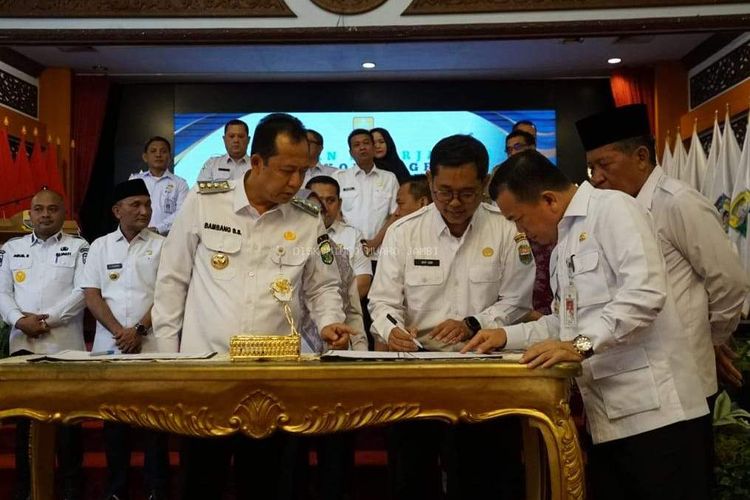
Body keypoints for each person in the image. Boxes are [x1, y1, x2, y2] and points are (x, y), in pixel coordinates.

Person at [466, 149, 711, 500]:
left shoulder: (613, 209)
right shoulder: (562, 245)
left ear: (548, 200)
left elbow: (644, 293)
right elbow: (566, 325)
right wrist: (503, 336)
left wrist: (579, 346)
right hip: (607, 418)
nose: (520, 231)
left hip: (660, 417)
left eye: (518, 219)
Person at [151, 113, 353, 500]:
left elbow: (323, 286)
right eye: (287, 171)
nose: (296, 182)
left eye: (303, 171)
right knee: (201, 481)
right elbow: (172, 281)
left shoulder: (307, 218)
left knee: (266, 482)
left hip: (273, 379)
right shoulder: (205, 202)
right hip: (206, 373)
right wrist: (169, 360)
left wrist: (330, 321)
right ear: (257, 162)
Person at [577, 103, 749, 482]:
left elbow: (729, 280)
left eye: (605, 165)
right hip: (637, 381)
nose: (598, 178)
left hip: (683, 379)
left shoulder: (678, 202)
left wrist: (711, 338)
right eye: (591, 169)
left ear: (641, 157)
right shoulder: (610, 211)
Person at [369, 134, 534, 500]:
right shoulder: (404, 232)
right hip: (417, 373)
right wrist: (392, 330)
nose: (455, 203)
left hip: (485, 372)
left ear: (485, 183)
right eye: (444, 192)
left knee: (485, 477)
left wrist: (473, 323)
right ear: (430, 180)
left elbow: (517, 301)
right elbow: (381, 302)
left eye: (467, 193)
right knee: (412, 476)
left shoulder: (507, 229)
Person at [81, 179, 168, 500]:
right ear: (117, 211)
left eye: (147, 204)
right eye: (136, 205)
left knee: (154, 422)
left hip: (152, 344)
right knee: (114, 424)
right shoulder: (100, 246)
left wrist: (139, 330)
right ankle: (117, 489)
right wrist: (121, 331)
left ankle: (156, 489)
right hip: (111, 346)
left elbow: (168, 294)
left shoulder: (163, 245)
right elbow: (92, 295)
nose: (144, 211)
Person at [0, 188, 87, 500]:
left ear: (63, 213)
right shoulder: (11, 248)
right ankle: (26, 488)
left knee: (68, 427)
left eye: (52, 209)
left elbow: (83, 291)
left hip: (66, 347)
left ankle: (71, 489)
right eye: (39, 209)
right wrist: (18, 320)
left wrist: (47, 321)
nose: (45, 215)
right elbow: (2, 292)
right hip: (23, 345)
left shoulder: (80, 247)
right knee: (26, 426)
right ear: (30, 214)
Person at [333, 129, 399, 259]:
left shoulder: (389, 178)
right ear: (351, 153)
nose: (362, 147)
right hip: (346, 251)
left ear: (374, 148)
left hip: (380, 252)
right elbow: (334, 213)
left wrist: (375, 243)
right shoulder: (339, 177)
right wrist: (349, 240)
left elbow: (395, 214)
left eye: (366, 143)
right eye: (356, 145)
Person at [306, 175, 373, 299]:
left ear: (339, 204)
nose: (324, 207)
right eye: (318, 201)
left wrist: (331, 306)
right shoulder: (290, 233)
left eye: (330, 200)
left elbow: (363, 282)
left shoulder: (353, 236)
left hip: (341, 308)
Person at [129, 136, 189, 235]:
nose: (158, 155)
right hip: (137, 236)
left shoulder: (180, 184)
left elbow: (182, 212)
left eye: (163, 151)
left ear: (170, 157)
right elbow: (128, 209)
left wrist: (157, 229)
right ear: (145, 157)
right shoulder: (135, 180)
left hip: (167, 238)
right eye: (153, 151)